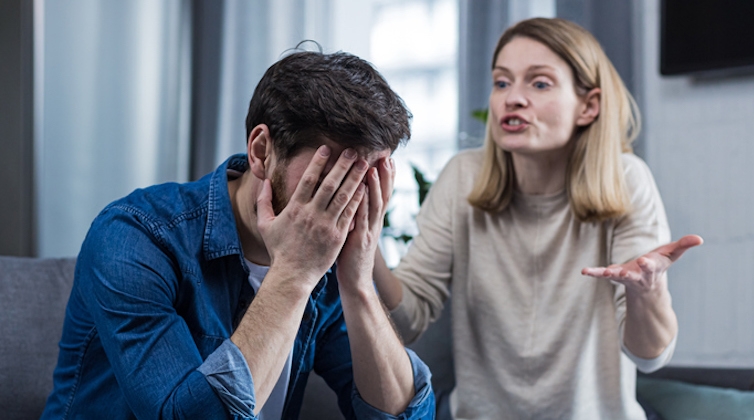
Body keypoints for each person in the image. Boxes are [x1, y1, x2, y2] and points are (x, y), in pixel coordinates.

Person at [41, 50, 435, 420]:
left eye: (368, 177)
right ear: (262, 151)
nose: (347, 198)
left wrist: (358, 283)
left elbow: (405, 414)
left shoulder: (330, 257)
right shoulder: (134, 236)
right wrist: (294, 273)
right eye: (332, 174)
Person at [372, 17, 703, 420]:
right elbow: (405, 323)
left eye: (539, 83)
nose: (513, 98)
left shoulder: (626, 180)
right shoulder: (463, 178)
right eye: (502, 82)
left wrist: (645, 291)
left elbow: (649, 358)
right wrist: (366, 249)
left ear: (589, 106)